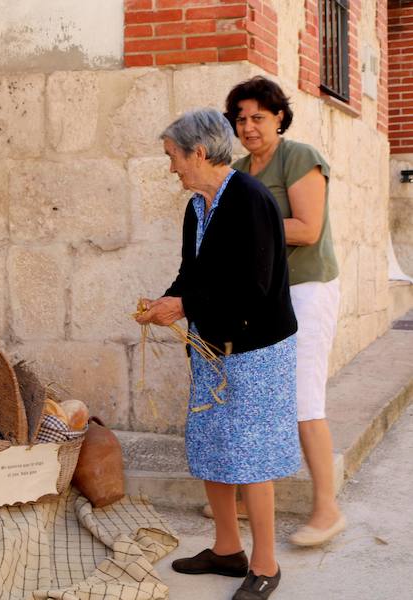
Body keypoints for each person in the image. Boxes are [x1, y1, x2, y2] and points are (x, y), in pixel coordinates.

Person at [136, 108, 300, 600]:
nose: (171, 168)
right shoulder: (197, 207)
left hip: (256, 349)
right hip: (212, 347)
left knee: (249, 457)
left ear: (199, 153)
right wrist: (165, 303)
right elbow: (193, 274)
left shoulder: (250, 200)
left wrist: (184, 305)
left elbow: (255, 287)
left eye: (173, 157)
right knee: (212, 444)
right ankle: (228, 550)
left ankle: (266, 564)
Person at [223, 76, 344, 547]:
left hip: (307, 289)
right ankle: (242, 498)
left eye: (258, 117)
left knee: (303, 398)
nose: (248, 126)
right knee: (250, 391)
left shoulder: (299, 157)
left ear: (279, 117)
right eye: (241, 118)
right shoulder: (237, 171)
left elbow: (308, 228)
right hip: (262, 296)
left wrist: (244, 231)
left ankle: (327, 509)